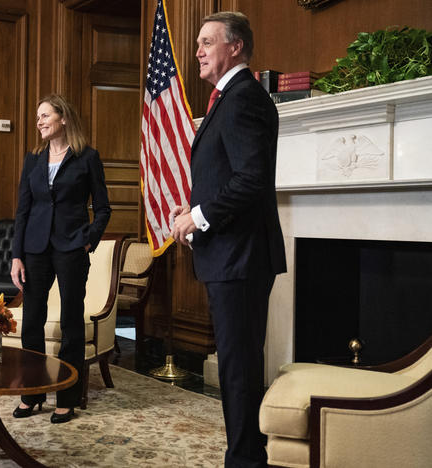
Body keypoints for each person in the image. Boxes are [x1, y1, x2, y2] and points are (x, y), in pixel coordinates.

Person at [169, 12, 287, 468]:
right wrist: (191, 208)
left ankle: (244, 461)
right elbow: (228, 176)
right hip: (230, 255)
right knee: (238, 367)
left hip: (240, 257)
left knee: (238, 370)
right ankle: (245, 455)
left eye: (206, 42)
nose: (197, 51)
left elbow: (251, 180)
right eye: (198, 43)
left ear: (234, 46)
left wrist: (198, 217)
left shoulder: (243, 99)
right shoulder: (229, 97)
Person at [10, 94, 111, 424]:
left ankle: (66, 399)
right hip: (36, 250)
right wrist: (16, 256)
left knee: (71, 323)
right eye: (37, 117)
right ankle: (32, 393)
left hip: (71, 249)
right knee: (32, 323)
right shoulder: (33, 160)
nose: (38, 121)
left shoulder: (87, 157)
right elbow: (23, 210)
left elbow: (104, 208)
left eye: (44, 115)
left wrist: (88, 240)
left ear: (63, 118)